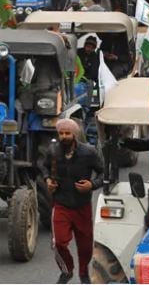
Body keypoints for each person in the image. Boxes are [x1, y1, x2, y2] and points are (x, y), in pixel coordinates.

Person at [40, 119, 104, 284]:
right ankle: (67, 271)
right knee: (59, 243)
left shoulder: (88, 152)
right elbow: (44, 166)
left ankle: (83, 274)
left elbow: (104, 173)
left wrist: (92, 185)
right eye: (61, 133)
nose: (64, 136)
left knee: (85, 246)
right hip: (61, 204)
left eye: (67, 133)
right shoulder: (53, 151)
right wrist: (48, 179)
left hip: (82, 206)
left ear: (74, 134)